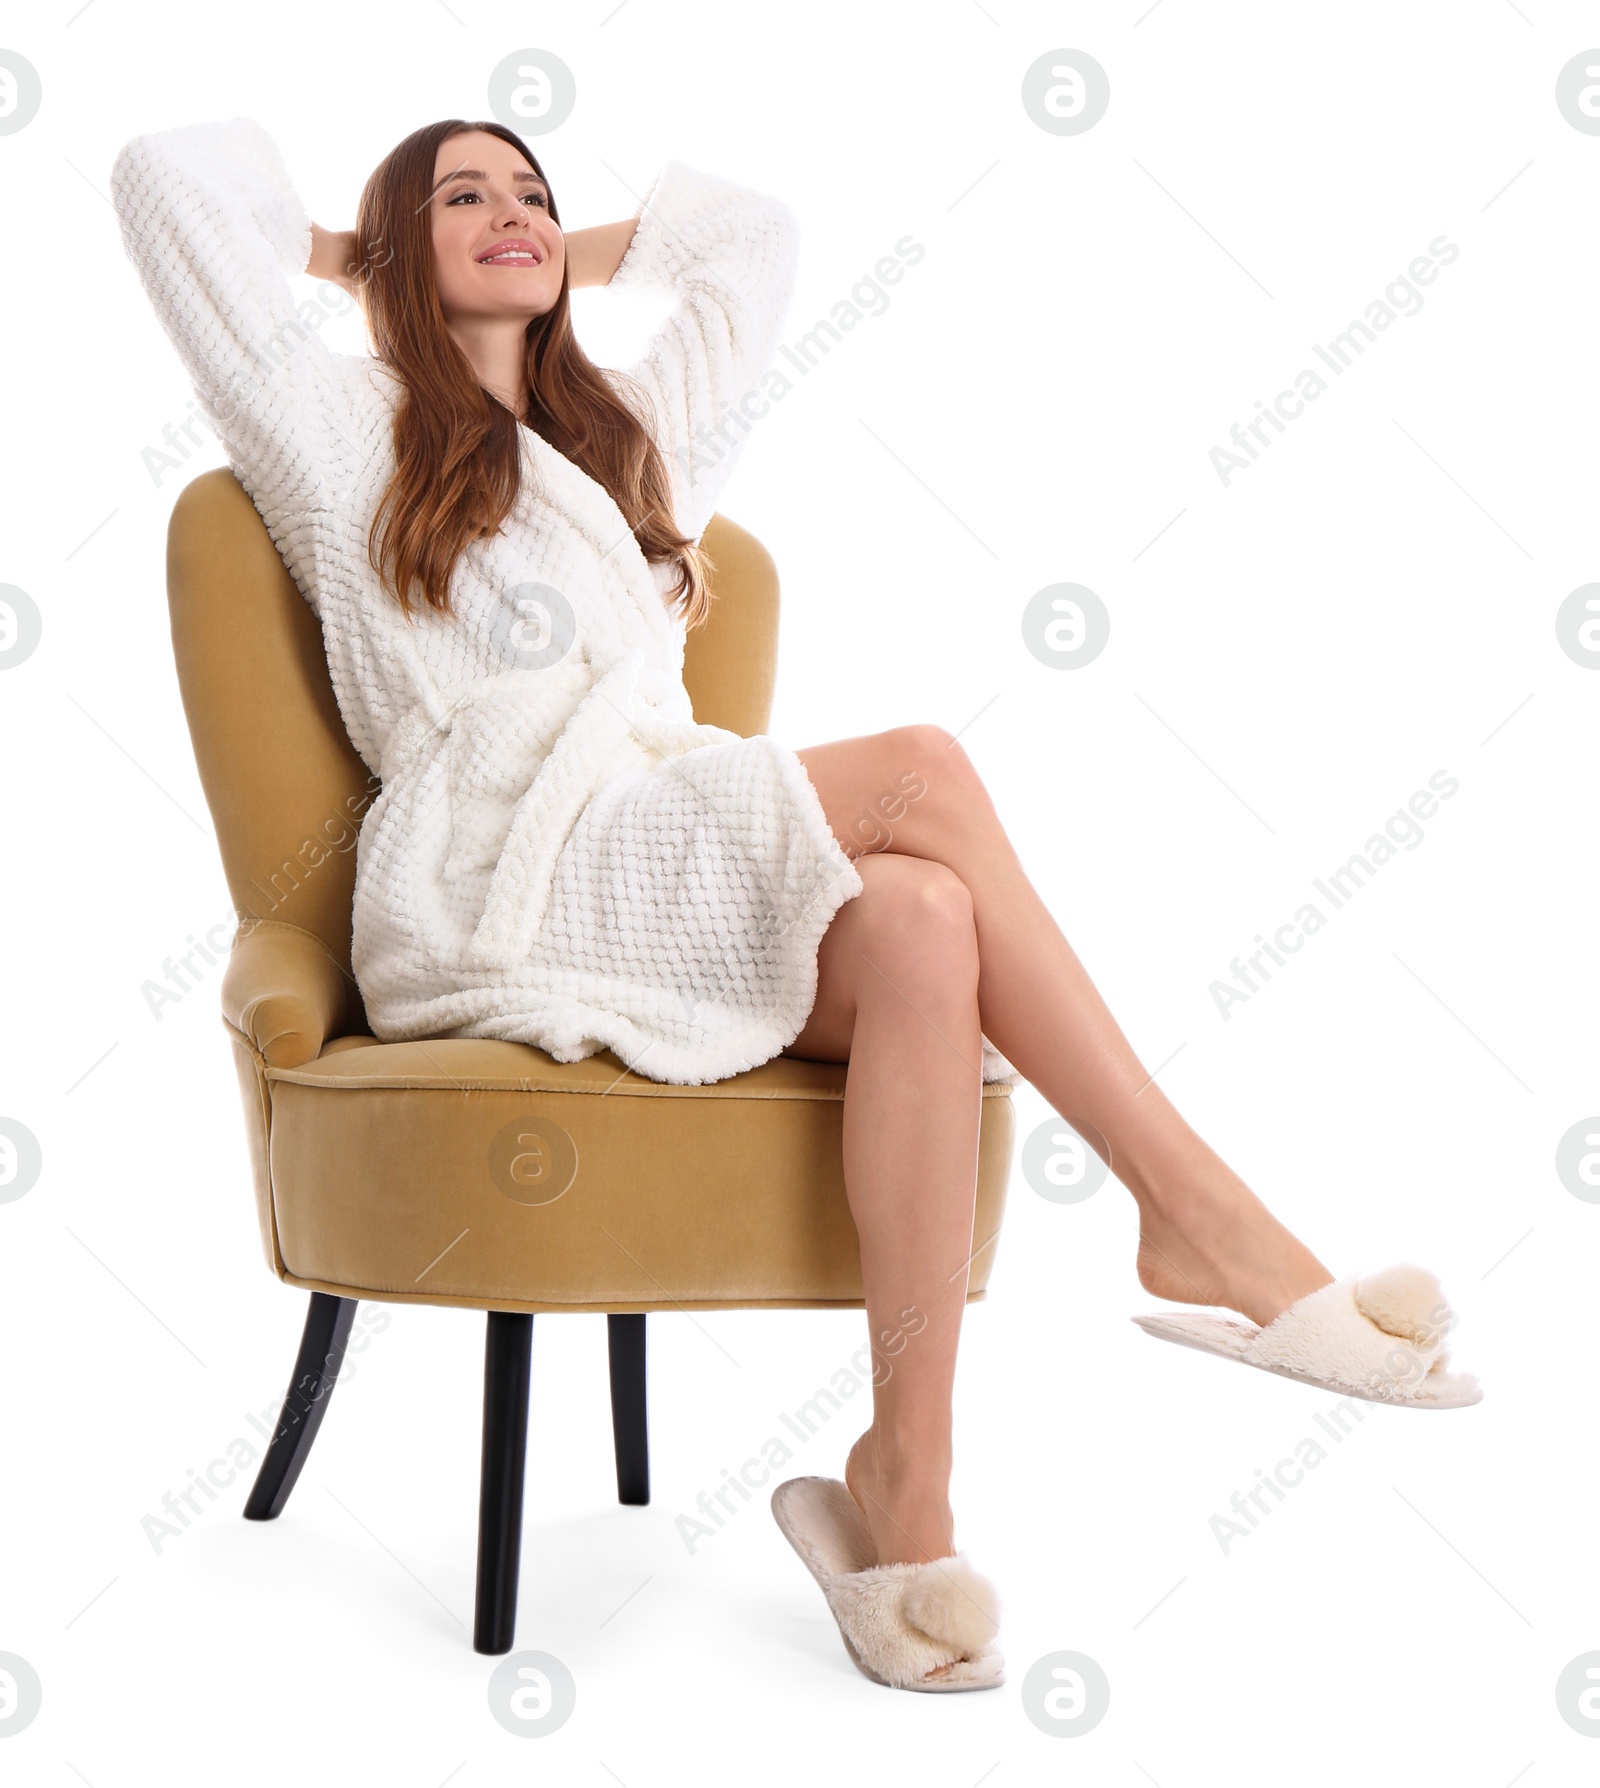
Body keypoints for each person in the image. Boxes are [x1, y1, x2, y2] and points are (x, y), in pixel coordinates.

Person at [111, 114, 1475, 1695]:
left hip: (653, 839)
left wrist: (557, 264)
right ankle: (1199, 1217)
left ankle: (904, 1495)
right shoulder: (338, 422)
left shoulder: (624, 437)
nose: (511, 213)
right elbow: (162, 185)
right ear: (395, 244)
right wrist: (352, 254)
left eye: (533, 195)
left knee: (920, 923)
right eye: (462, 197)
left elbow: (750, 243)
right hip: (498, 873)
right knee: (921, 770)